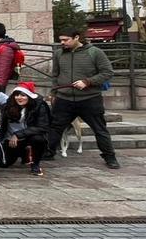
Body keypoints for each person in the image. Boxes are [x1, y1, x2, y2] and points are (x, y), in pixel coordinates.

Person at [47, 28, 119, 168]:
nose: (62, 43)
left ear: (76, 37)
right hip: (64, 98)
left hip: (89, 98)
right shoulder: (58, 54)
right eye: (61, 40)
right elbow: (55, 76)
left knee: (99, 129)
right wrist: (54, 93)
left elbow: (107, 72)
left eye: (66, 40)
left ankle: (110, 157)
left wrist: (88, 81)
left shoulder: (95, 52)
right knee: (55, 127)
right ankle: (48, 152)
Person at [1, 81, 50, 177]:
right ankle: (24, 153)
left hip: (28, 137)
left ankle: (35, 163)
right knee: (3, 164)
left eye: (23, 95)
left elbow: (42, 127)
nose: (19, 98)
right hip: (10, 139)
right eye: (17, 95)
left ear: (29, 96)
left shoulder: (39, 106)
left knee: (38, 139)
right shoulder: (7, 106)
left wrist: (18, 134)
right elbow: (1, 125)